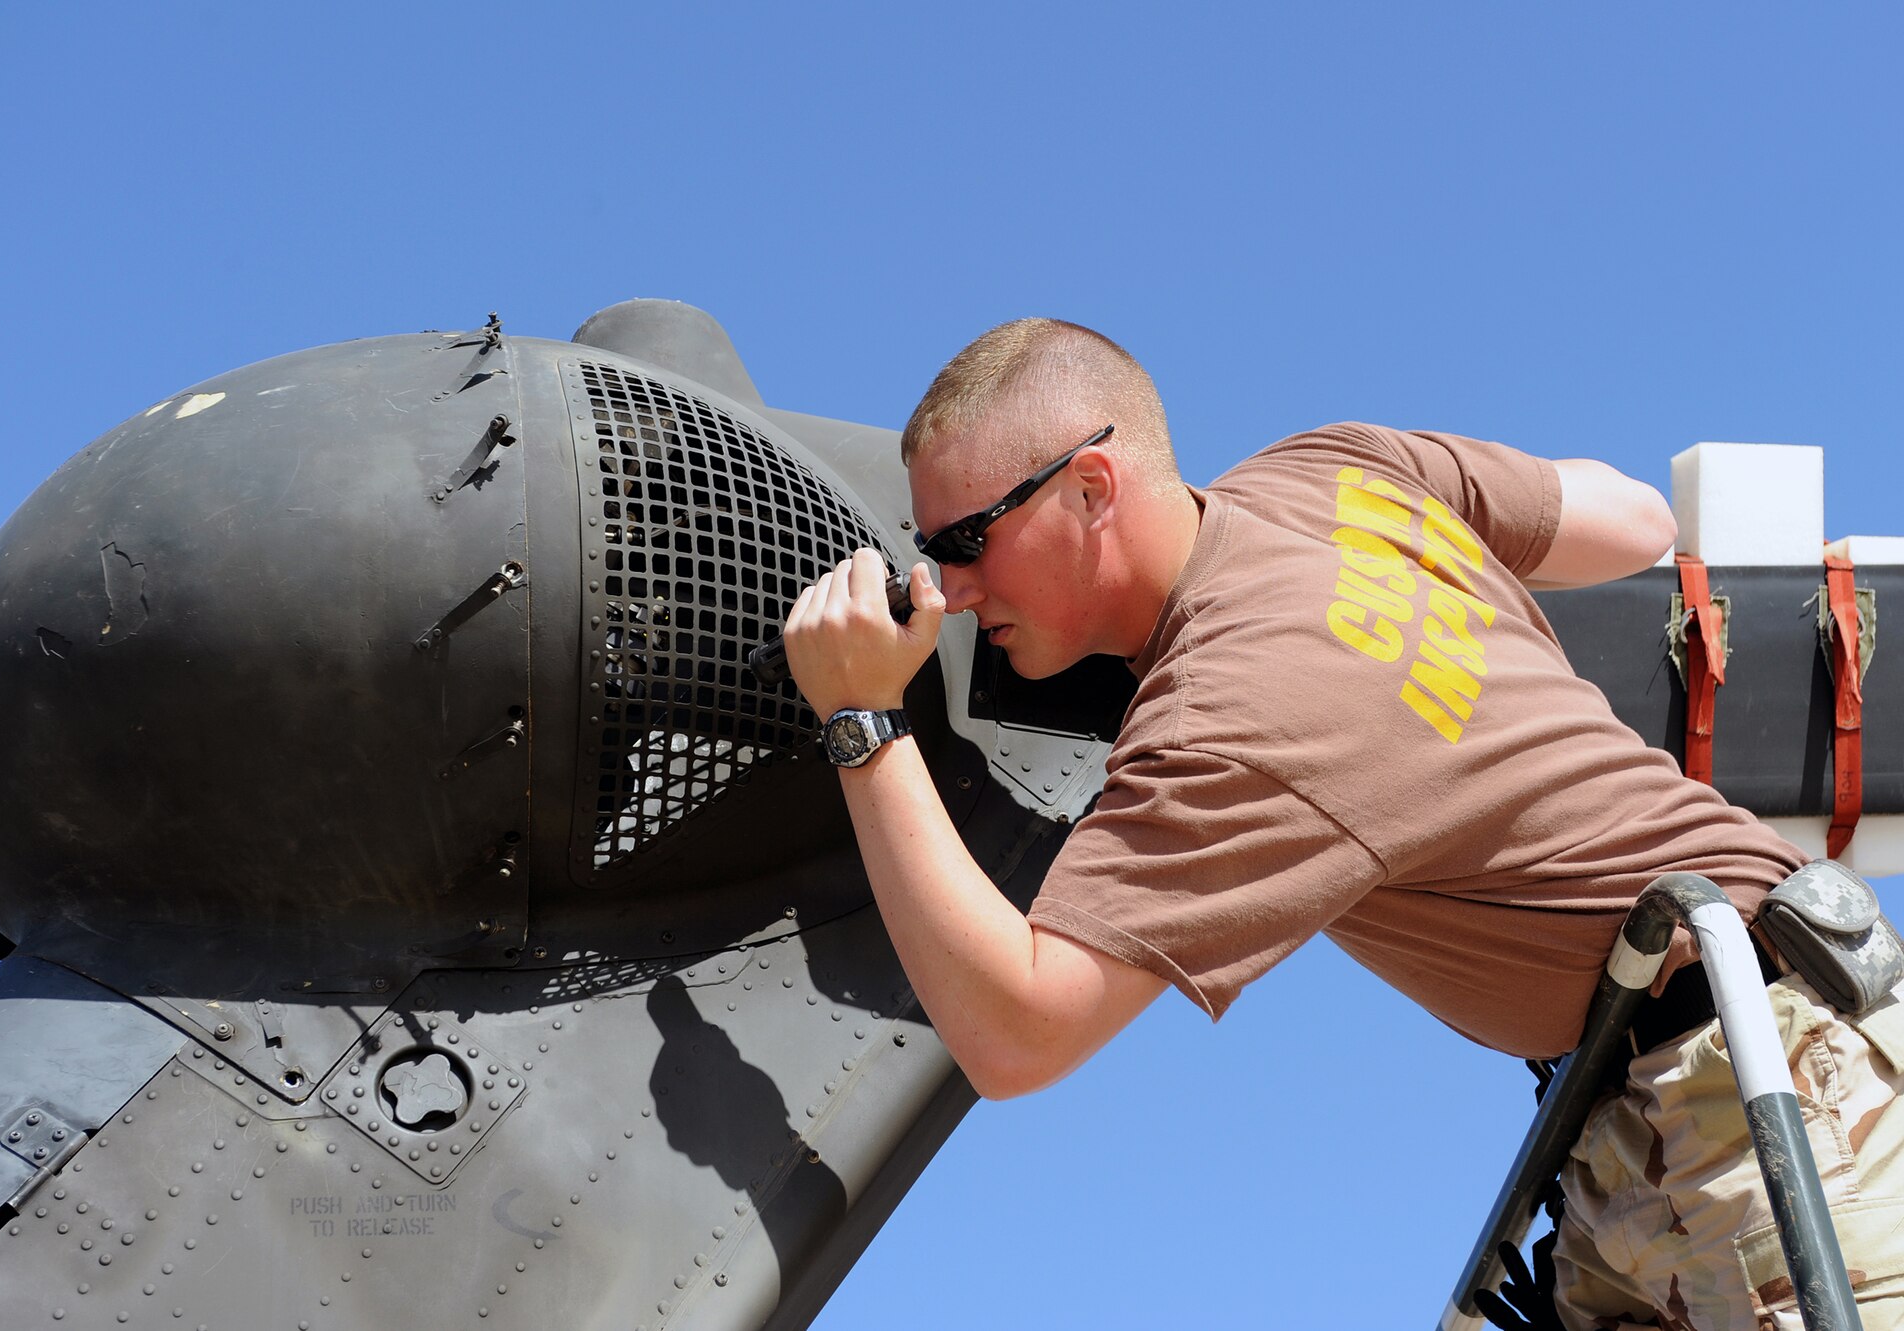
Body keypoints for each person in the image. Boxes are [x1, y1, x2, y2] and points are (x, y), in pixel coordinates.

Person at [778, 318, 1904, 1328]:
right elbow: (1630, 520)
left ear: (1087, 488)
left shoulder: (1231, 708)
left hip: (1766, 1102)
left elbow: (1018, 1031)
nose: (951, 592)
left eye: (965, 542)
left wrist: (862, 722)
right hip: (1652, 1105)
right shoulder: (1332, 468)